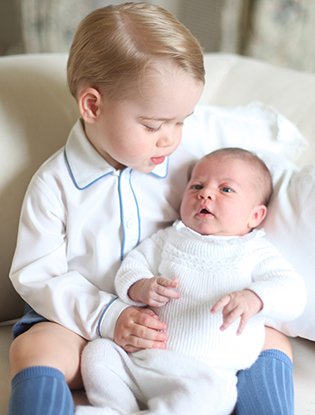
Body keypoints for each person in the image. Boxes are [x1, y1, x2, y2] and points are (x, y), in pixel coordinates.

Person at [7, 3, 297, 415]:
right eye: (153, 125)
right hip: (79, 322)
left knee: (271, 340)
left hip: (176, 325)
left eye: (180, 122)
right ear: (93, 106)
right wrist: (108, 316)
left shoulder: (189, 160)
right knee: (34, 348)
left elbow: (251, 148)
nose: (170, 140)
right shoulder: (55, 185)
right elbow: (37, 275)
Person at [76, 148, 306, 415]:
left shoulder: (254, 251)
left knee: (204, 393)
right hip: (144, 362)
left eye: (226, 190)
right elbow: (131, 267)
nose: (205, 193)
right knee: (99, 352)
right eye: (196, 185)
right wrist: (140, 287)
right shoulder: (169, 238)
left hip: (208, 375)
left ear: (254, 216)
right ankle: (114, 407)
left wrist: (255, 297)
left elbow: (293, 291)